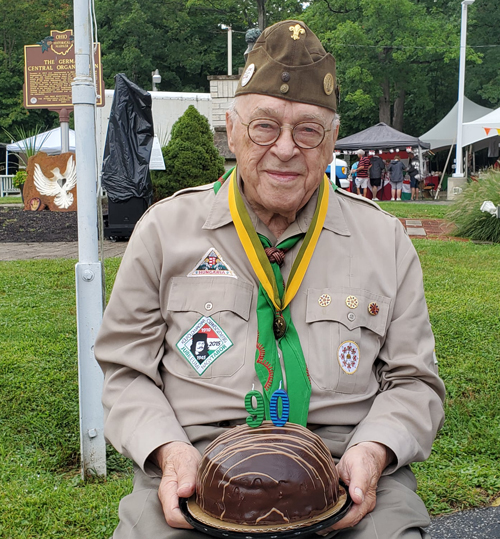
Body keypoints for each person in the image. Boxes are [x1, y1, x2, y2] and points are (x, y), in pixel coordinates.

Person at [95, 20, 445, 539]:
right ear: (233, 132)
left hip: (343, 463)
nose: (285, 148)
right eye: (265, 126)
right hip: (199, 463)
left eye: (308, 130)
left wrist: (375, 450)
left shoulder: (385, 241)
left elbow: (414, 382)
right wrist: (168, 451)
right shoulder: (164, 232)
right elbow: (126, 371)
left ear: (330, 145)